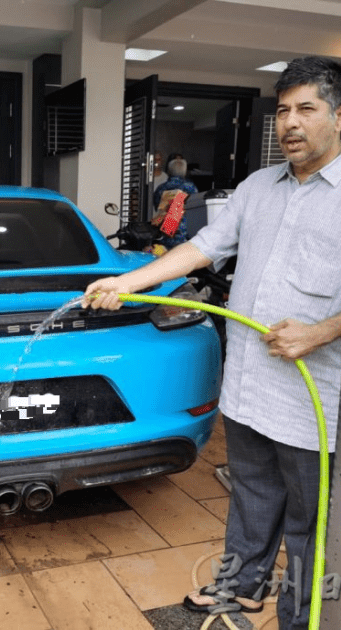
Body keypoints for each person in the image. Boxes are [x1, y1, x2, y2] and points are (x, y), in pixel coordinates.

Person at [84, 56, 341, 629]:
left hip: (315, 398)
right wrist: (129, 283)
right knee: (251, 493)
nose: (290, 123)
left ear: (339, 116)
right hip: (250, 383)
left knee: (311, 522)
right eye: (283, 111)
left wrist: (321, 331)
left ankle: (302, 617)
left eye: (306, 109)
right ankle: (242, 587)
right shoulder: (258, 187)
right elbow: (202, 248)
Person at [151, 156, 199, 249]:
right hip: (185, 233)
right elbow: (195, 209)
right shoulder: (191, 187)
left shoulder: (161, 188)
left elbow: (156, 205)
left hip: (165, 232)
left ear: (169, 171)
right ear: (185, 171)